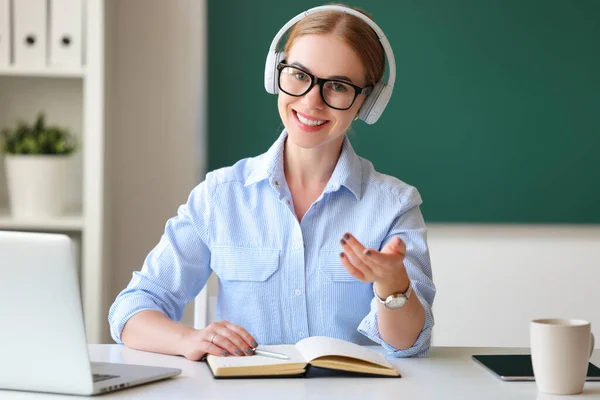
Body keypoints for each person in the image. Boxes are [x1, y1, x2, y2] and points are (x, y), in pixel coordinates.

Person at [109, 3, 436, 361]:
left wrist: (393, 286)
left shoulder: (394, 205)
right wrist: (189, 340)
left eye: (338, 86)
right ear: (275, 73)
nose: (311, 101)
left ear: (366, 101)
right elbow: (131, 311)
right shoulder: (220, 196)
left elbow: (408, 345)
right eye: (298, 74)